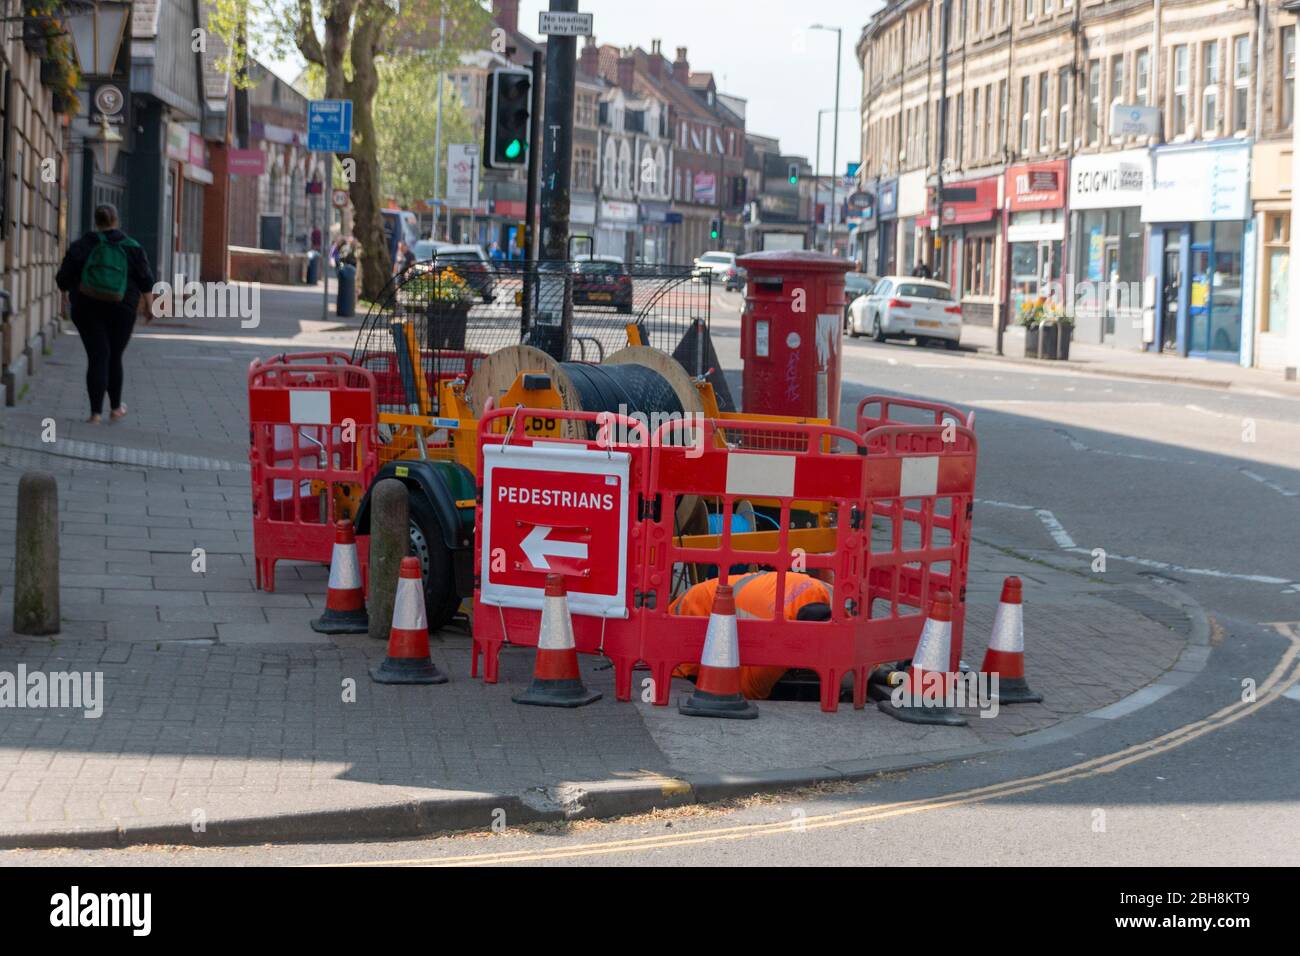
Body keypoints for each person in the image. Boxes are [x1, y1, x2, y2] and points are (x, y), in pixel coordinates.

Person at [55, 203, 155, 424]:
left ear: (96, 221)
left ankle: (95, 414)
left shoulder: (82, 245)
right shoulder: (132, 247)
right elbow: (145, 279)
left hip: (87, 307)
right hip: (123, 309)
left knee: (98, 356)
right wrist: (149, 306)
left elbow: (63, 278)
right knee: (114, 356)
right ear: (116, 221)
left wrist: (65, 294)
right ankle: (116, 408)